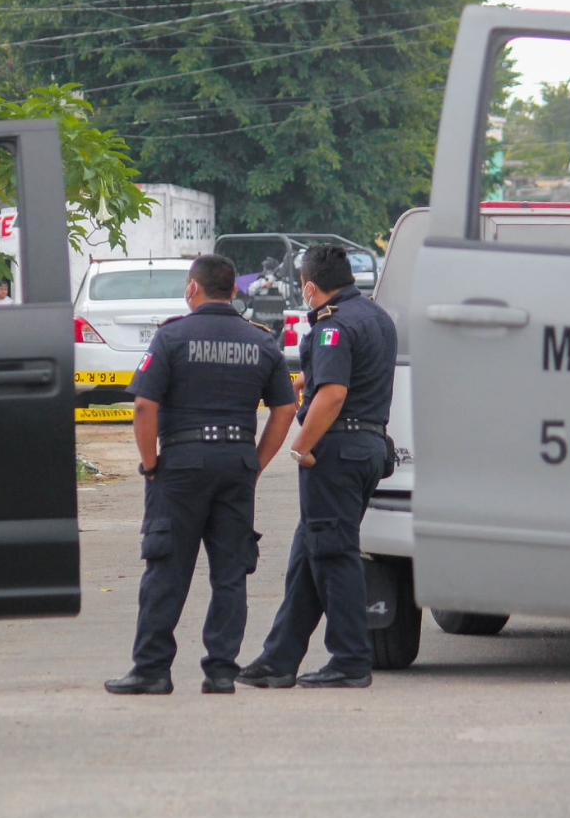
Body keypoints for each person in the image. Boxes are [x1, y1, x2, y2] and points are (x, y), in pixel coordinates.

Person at [104, 255, 298, 695]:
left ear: (193, 288)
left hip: (182, 464)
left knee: (166, 567)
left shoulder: (172, 337)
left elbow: (143, 406)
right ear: (235, 291)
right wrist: (256, 462)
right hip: (236, 463)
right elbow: (285, 409)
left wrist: (150, 465)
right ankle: (222, 671)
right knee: (230, 572)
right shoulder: (261, 341)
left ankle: (152, 669)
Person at [238, 244, 397, 690]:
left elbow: (333, 395)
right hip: (367, 446)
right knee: (309, 554)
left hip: (336, 449)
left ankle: (349, 659)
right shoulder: (374, 317)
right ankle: (279, 658)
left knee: (333, 554)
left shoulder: (332, 326)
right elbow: (349, 374)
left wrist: (298, 447)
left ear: (310, 287)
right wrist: (305, 375)